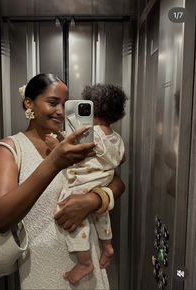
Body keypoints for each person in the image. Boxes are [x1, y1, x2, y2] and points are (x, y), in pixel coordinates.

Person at [0, 73, 125, 290]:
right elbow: (1, 218)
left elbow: (116, 182)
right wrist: (54, 163)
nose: (61, 111)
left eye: (65, 104)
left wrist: (92, 200)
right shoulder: (9, 149)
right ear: (29, 103)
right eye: (52, 103)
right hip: (42, 268)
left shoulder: (74, 141)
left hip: (88, 262)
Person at [45, 84, 127, 285]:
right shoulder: (116, 138)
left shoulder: (91, 132)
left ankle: (84, 262)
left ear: (92, 109)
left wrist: (55, 145)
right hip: (102, 183)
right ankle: (107, 245)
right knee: (101, 213)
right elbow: (121, 160)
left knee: (74, 215)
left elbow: (73, 152)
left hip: (81, 185)